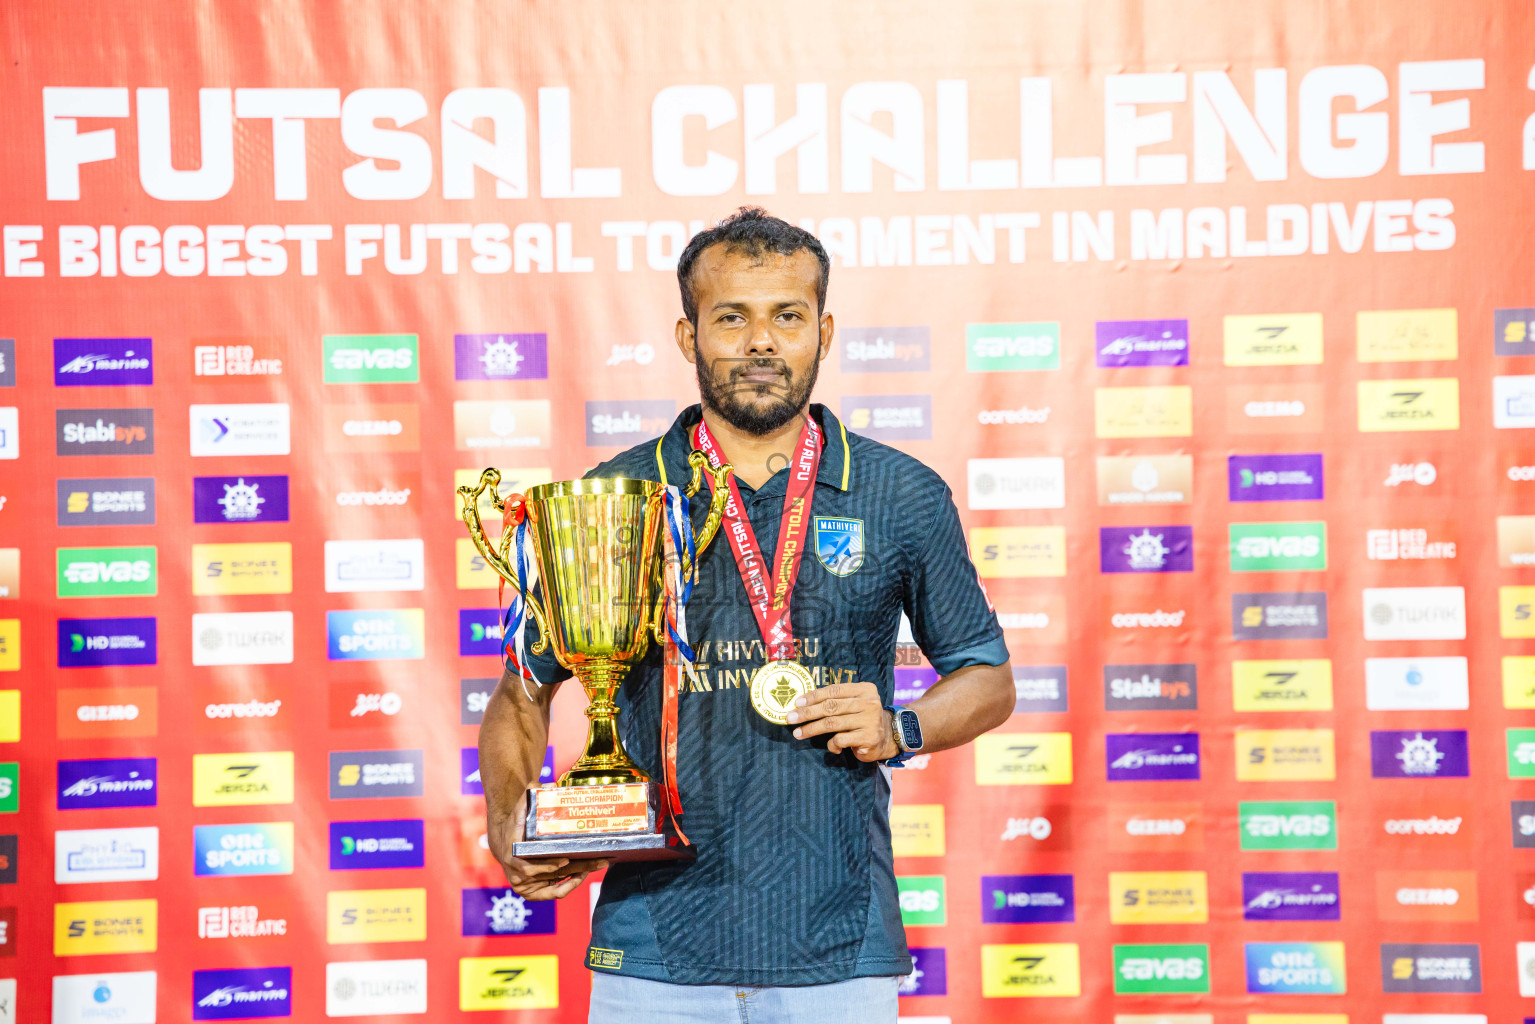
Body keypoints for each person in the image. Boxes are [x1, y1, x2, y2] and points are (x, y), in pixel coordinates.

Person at [477, 207, 1016, 1024]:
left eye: (786, 317)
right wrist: (508, 818)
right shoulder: (614, 499)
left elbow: (989, 677)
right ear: (689, 337)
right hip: (653, 955)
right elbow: (520, 692)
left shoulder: (901, 493)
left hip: (839, 950)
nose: (760, 341)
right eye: (731, 317)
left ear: (823, 333)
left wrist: (901, 729)